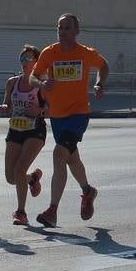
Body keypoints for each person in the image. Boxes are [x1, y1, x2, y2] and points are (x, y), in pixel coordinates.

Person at [30, 13, 109, 228]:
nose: (62, 31)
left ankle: (52, 211)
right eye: (59, 27)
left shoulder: (85, 53)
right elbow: (33, 76)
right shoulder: (49, 52)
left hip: (78, 114)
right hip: (57, 116)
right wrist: (41, 84)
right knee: (71, 159)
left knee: (59, 154)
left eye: (66, 28)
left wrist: (99, 84)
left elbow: (104, 66)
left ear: (76, 31)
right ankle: (87, 191)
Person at [0, 45, 48, 226]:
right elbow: (7, 104)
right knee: (11, 178)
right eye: (22, 59)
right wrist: (4, 108)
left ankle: (21, 212)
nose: (25, 63)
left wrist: (40, 111)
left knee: (19, 170)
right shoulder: (12, 82)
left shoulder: (42, 84)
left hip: (35, 131)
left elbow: (53, 110)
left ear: (37, 62)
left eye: (28, 59)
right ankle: (32, 178)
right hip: (15, 130)